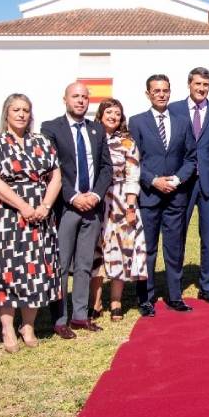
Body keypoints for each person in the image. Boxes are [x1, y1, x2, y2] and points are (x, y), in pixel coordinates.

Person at [0, 94, 63, 352]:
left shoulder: (41, 141)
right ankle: (7, 328)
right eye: (16, 110)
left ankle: (28, 326)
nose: (21, 114)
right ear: (7, 113)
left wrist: (45, 206)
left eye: (26, 110)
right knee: (6, 271)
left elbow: (56, 176)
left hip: (40, 215)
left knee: (36, 270)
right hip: (7, 216)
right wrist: (23, 206)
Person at [41, 82, 112, 339]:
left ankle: (80, 315)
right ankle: (59, 319)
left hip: (91, 207)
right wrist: (72, 196)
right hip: (65, 207)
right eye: (76, 96)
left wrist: (94, 195)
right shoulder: (51, 128)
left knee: (84, 264)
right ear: (65, 99)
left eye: (84, 97)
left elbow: (106, 168)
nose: (80, 101)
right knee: (61, 265)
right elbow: (52, 167)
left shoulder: (97, 130)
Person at [130, 74, 197, 316]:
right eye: (156, 90)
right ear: (148, 93)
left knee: (174, 248)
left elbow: (191, 158)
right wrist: (153, 180)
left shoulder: (182, 122)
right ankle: (145, 299)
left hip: (176, 196)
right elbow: (133, 161)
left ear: (170, 92)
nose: (161, 94)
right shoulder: (136, 122)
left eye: (165, 90)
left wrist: (177, 179)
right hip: (149, 196)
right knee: (148, 249)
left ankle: (175, 296)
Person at [169, 67, 209, 303]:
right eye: (198, 84)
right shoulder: (174, 110)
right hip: (181, 184)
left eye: (205, 85)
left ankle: (208, 287)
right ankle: (175, 286)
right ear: (189, 84)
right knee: (177, 236)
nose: (201, 89)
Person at [89, 98, 147, 321]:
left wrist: (131, 206)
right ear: (100, 115)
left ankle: (115, 302)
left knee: (120, 250)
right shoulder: (92, 138)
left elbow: (133, 175)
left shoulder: (127, 142)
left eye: (117, 113)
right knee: (96, 251)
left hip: (121, 200)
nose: (113, 116)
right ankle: (95, 302)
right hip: (96, 200)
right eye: (109, 112)